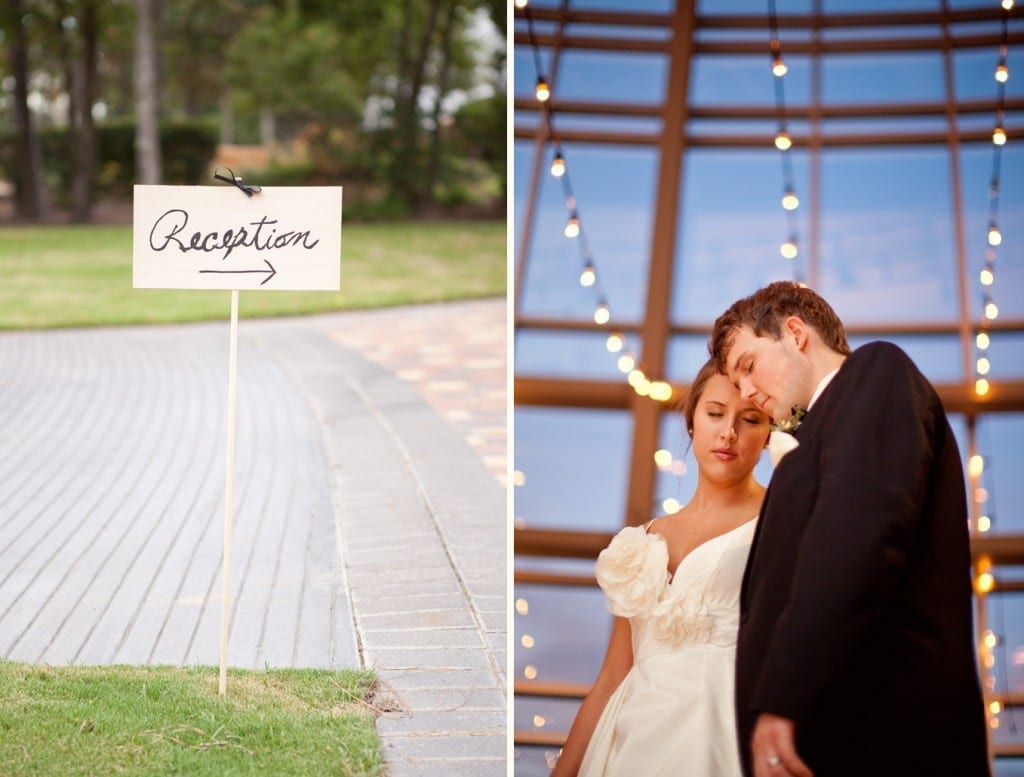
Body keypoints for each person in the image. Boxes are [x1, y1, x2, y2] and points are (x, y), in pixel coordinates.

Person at [709, 281, 989, 777]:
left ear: (795, 333)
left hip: (889, 737)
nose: (747, 392)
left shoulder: (875, 372)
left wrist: (783, 695)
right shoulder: (814, 436)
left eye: (748, 366)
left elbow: (857, 535)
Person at [552, 359, 772, 776]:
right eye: (715, 413)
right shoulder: (641, 542)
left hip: (720, 727)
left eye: (751, 419)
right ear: (692, 421)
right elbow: (613, 675)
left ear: (767, 435)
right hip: (632, 734)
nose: (729, 432)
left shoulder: (781, 519)